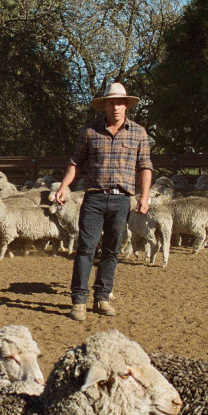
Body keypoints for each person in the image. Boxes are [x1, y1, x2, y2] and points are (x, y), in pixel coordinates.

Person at [54, 82, 153, 322]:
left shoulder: (138, 133)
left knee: (112, 250)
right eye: (112, 102)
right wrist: (64, 185)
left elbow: (145, 166)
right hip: (94, 198)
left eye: (120, 102)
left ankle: (102, 297)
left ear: (126, 105)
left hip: (121, 201)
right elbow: (76, 162)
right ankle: (79, 300)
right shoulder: (90, 131)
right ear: (105, 105)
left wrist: (144, 195)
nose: (116, 107)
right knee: (86, 247)